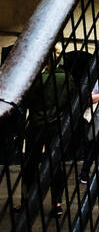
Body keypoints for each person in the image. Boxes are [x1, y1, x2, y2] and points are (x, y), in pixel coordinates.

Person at [21, 51, 74, 214]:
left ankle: (27, 201)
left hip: (36, 125)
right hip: (56, 126)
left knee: (30, 163)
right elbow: (72, 101)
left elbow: (27, 100)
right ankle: (57, 203)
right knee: (55, 165)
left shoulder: (39, 78)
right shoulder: (68, 78)